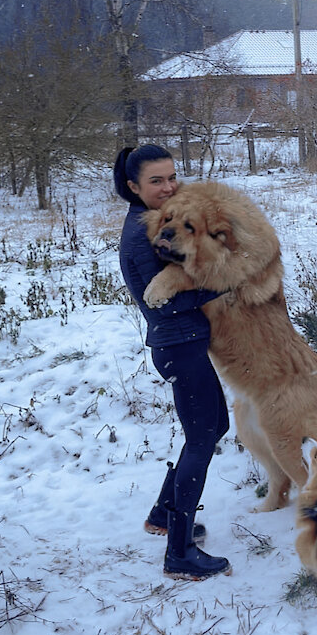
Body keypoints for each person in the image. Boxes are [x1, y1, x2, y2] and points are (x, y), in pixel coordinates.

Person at [114, 144, 232, 581]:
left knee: (213, 427)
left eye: (171, 178)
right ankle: (179, 552)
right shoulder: (140, 236)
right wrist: (223, 288)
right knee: (201, 441)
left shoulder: (154, 220)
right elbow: (162, 306)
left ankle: (163, 514)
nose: (168, 188)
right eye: (155, 181)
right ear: (133, 187)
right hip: (177, 345)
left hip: (187, 342)